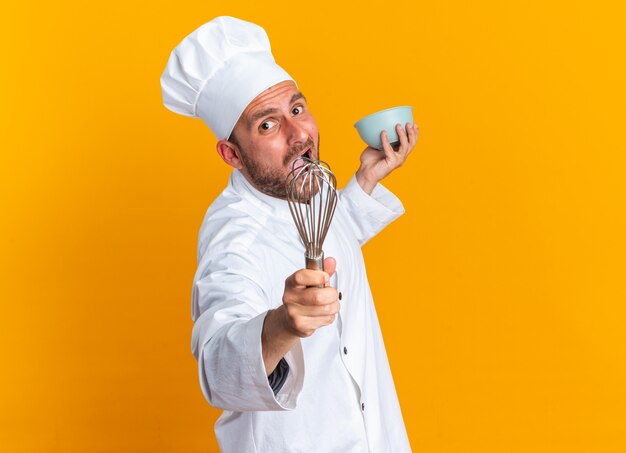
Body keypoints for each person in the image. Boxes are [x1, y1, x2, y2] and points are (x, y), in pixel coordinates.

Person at [161, 16, 418, 452]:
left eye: (297, 110)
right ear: (231, 154)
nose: (299, 135)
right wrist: (281, 325)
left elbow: (332, 235)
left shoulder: (303, 190)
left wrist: (364, 183)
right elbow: (218, 365)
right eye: (268, 125)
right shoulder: (233, 234)